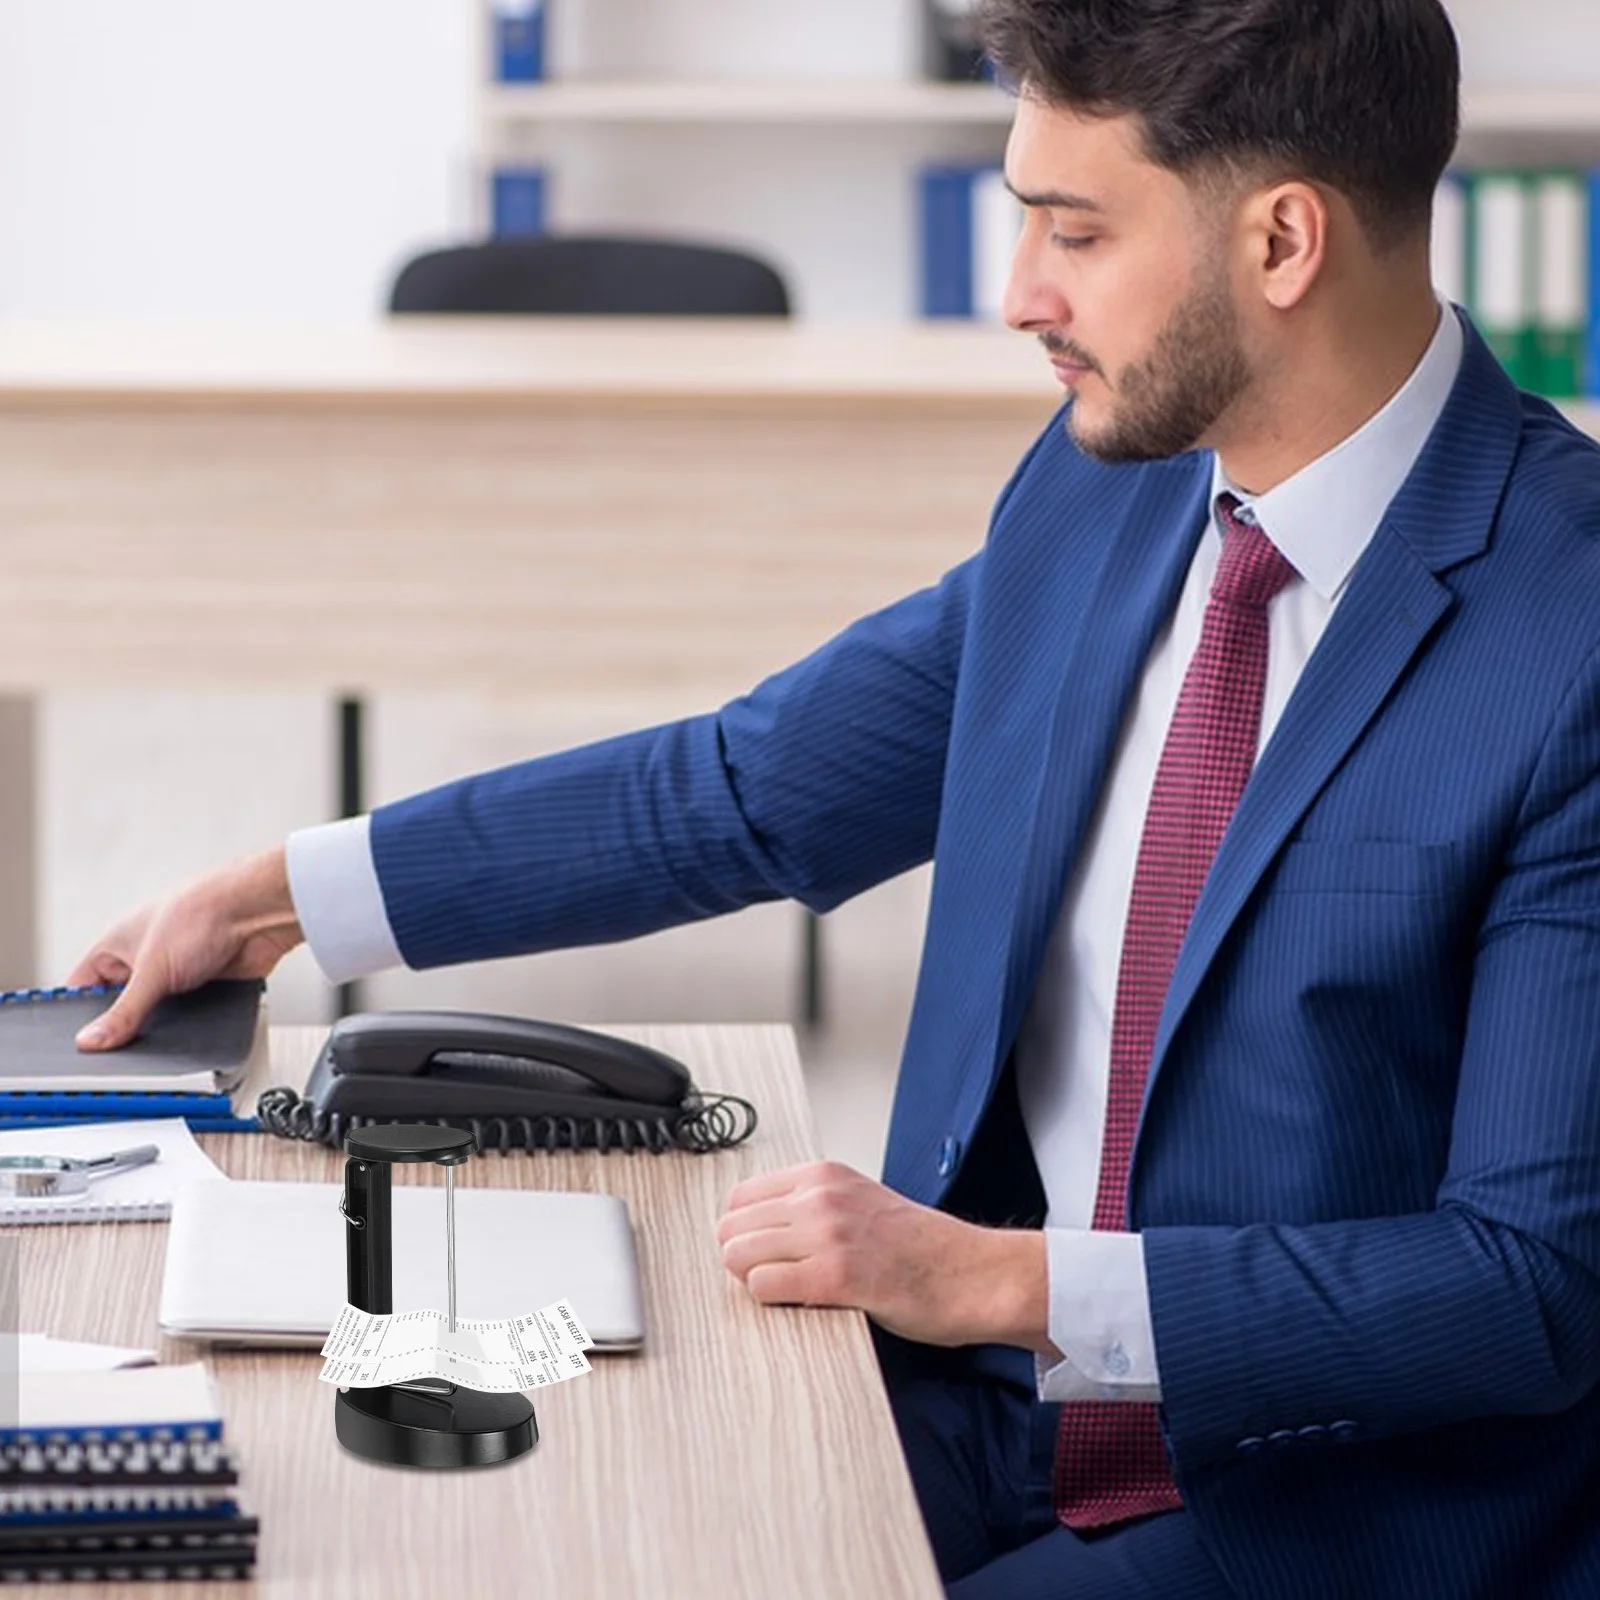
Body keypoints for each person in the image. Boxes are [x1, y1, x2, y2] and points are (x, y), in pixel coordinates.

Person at [69, 1, 1600, 1594]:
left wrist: (1000, 1282)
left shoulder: (1571, 639)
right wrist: (276, 902)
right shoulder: (1109, 489)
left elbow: (1528, 1289)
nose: (1020, 298)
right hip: (989, 1407)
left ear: (1283, 241)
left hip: (1319, 1509)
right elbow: (751, 787)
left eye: (1074, 232)